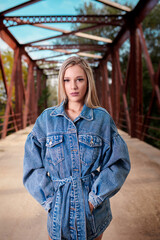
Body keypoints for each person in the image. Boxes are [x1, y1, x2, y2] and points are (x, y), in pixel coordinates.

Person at [23, 56, 130, 240]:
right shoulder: (46, 120)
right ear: (62, 83)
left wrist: (93, 200)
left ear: (88, 81)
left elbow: (119, 163)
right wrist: (51, 200)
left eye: (79, 79)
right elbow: (32, 166)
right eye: (67, 80)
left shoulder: (101, 119)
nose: (73, 86)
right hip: (58, 213)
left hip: (93, 215)